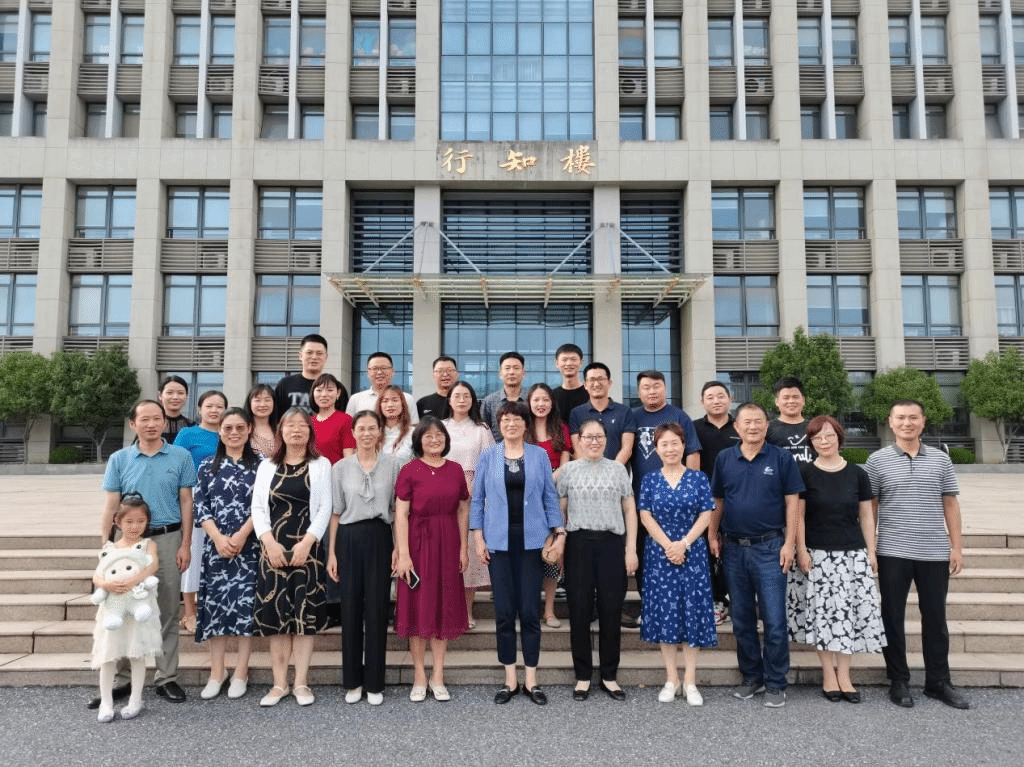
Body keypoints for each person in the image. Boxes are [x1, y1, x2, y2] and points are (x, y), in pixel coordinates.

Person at [865, 399, 969, 710]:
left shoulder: (941, 460)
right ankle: (898, 680)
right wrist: (871, 548)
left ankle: (938, 681)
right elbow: (870, 508)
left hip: (934, 552)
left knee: (935, 619)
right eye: (900, 418)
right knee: (892, 617)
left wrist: (956, 547)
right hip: (892, 551)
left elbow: (950, 504)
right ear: (890, 422)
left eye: (913, 418)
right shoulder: (877, 461)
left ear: (923, 422)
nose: (906, 423)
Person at [93, 400, 196, 708]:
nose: (151, 424)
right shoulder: (120, 459)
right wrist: (105, 545)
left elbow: (187, 501)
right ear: (133, 424)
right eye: (144, 419)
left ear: (164, 423)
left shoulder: (180, 456)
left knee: (167, 609)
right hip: (127, 543)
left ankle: (166, 677)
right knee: (123, 608)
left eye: (156, 419)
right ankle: (122, 680)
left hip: (168, 537)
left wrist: (186, 544)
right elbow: (111, 505)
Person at [708, 402, 803, 708]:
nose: (752, 426)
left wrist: (790, 544)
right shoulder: (725, 458)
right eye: (746, 422)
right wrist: (712, 534)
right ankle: (752, 677)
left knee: (774, 620)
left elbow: (793, 503)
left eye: (758, 421)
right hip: (734, 548)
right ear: (737, 427)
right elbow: (718, 500)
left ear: (766, 425)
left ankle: (776, 682)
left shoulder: (781, 457)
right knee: (742, 619)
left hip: (770, 547)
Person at [788, 415, 886, 704]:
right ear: (811, 442)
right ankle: (828, 674)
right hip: (817, 555)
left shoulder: (857, 473)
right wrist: (801, 550)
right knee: (823, 616)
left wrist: (871, 551)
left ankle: (845, 675)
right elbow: (798, 516)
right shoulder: (804, 473)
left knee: (849, 615)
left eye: (829, 435)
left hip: (852, 554)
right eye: (817, 437)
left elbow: (866, 515)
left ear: (839, 438)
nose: (824, 441)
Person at [471, 402, 563, 706]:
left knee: (529, 612)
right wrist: (477, 537)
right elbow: (477, 499)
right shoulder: (488, 456)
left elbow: (550, 497)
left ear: (526, 424)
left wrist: (558, 533)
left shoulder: (538, 456)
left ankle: (531, 680)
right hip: (498, 542)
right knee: (504, 613)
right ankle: (510, 679)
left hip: (532, 543)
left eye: (517, 419)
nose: (511, 424)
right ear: (500, 425)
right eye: (506, 420)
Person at [251, 408, 333, 707]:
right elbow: (257, 507)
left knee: (304, 618)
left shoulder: (321, 464)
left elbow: (325, 507)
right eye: (290, 426)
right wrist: (269, 542)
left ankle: (301, 683)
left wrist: (308, 543)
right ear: (281, 432)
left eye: (302, 425)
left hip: (307, 550)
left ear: (310, 432)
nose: (296, 430)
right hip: (273, 548)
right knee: (276, 617)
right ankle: (279, 684)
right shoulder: (266, 466)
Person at [557, 418, 638, 702]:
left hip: (611, 544)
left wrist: (631, 548)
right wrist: (558, 541)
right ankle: (582, 676)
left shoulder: (618, 470)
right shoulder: (568, 471)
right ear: (578, 440)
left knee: (610, 610)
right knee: (579, 611)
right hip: (578, 544)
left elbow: (630, 510)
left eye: (599, 437)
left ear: (606, 439)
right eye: (588, 437)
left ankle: (609, 675)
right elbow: (560, 509)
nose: (594, 441)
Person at [638, 423, 717, 706]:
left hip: (692, 554)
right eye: (664, 444)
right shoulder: (649, 479)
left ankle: (690, 680)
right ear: (656, 449)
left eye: (675, 443)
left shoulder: (698, 478)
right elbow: (645, 515)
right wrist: (669, 546)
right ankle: (671, 678)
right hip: (660, 556)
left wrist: (683, 544)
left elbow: (706, 514)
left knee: (691, 613)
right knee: (666, 614)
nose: (670, 449)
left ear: (684, 446)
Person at [327, 409, 401, 706]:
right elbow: (335, 512)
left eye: (373, 428)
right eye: (362, 428)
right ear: (353, 433)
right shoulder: (340, 468)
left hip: (380, 536)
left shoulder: (393, 465)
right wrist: (331, 553)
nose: (367, 433)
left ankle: (374, 682)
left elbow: (397, 510)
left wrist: (398, 547)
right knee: (350, 608)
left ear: (379, 432)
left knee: (377, 608)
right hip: (348, 537)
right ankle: (352, 681)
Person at [394, 417, 470, 702]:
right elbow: (401, 514)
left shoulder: (456, 469)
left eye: (439, 435)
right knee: (417, 609)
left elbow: (463, 510)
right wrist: (403, 554)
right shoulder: (409, 470)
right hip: (417, 543)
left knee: (443, 607)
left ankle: (438, 675)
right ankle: (419, 675)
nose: (435, 440)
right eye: (428, 436)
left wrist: (463, 548)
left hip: (448, 542)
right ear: (419, 441)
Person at [625, 369, 702, 628]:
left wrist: (689, 490)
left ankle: (681, 611)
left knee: (680, 554)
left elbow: (693, 453)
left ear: (665, 388)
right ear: (639, 391)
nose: (652, 391)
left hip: (678, 503)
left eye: (656, 386)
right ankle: (650, 608)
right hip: (645, 500)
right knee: (648, 557)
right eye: (646, 387)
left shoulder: (679, 416)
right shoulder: (633, 416)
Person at [194, 407, 260, 701]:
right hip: (216, 547)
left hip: (250, 546)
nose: (234, 433)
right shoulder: (207, 465)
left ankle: (241, 671)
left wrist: (242, 535)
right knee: (216, 609)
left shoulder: (262, 465)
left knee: (246, 609)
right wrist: (219, 538)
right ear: (219, 432)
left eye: (240, 428)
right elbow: (201, 505)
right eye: (228, 428)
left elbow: (263, 505)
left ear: (249, 430)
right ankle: (217, 672)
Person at [90, 495, 162, 722]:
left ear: (147, 522)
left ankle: (135, 699)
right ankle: (106, 702)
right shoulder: (109, 548)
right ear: (117, 522)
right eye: (129, 521)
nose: (134, 526)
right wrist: (106, 585)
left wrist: (132, 581)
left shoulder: (148, 545)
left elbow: (152, 566)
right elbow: (97, 575)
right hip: (113, 608)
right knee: (108, 654)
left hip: (139, 607)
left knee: (137, 653)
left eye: (140, 521)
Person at [441, 381, 495, 629]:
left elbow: (489, 462)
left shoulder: (481, 429)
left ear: (473, 400)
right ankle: (446, 611)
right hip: (443, 494)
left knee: (469, 556)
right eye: (457, 395)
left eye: (466, 396)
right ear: (449, 400)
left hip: (473, 496)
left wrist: (474, 487)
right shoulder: (440, 427)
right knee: (445, 552)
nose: (461, 400)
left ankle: (467, 612)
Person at [174, 389, 227, 634]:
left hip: (225, 502)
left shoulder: (229, 433)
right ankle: (189, 612)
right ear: (199, 409)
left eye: (219, 406)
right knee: (193, 554)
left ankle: (215, 609)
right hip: (195, 499)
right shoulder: (187, 434)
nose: (214, 410)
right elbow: (176, 465)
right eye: (209, 406)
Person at [693, 380, 740, 625]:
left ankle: (738, 601)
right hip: (705, 501)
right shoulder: (694, 428)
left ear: (729, 399)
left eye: (721, 396)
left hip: (737, 500)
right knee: (709, 552)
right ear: (702, 402)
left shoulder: (740, 426)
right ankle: (716, 600)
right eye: (710, 397)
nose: (716, 401)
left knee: (733, 551)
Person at [525, 382, 571, 629]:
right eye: (536, 400)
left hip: (554, 493)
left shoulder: (561, 428)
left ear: (552, 403)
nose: (541, 404)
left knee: (552, 555)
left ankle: (550, 611)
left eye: (545, 399)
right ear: (529, 403)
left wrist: (549, 478)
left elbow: (565, 464)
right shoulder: (523, 428)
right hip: (527, 496)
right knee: (531, 556)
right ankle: (530, 610)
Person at [569, 362, 633, 465]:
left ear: (609, 383)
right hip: (586, 472)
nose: (596, 384)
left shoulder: (624, 411)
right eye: (592, 380)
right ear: (585, 385)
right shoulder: (576, 413)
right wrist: (590, 470)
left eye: (600, 379)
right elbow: (577, 448)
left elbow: (627, 448)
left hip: (616, 472)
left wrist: (612, 470)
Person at [274, 333, 348, 416]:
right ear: (300, 356)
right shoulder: (285, 385)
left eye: (319, 353)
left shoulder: (336, 388)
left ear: (326, 357)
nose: (314, 357)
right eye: (309, 352)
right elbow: (276, 418)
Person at [346, 351, 418, 421]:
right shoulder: (355, 399)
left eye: (384, 368)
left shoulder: (407, 399)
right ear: (368, 372)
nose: (379, 372)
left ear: (392, 371)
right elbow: (348, 426)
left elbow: (413, 426)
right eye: (375, 368)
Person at [766, 376, 815, 464]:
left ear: (803, 400)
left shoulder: (815, 427)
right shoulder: (767, 429)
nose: (791, 401)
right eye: (786, 398)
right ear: (777, 401)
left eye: (795, 397)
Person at [309, 373, 356, 464]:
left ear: (338, 393)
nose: (324, 395)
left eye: (330, 390)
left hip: (336, 471)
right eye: (319, 390)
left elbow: (348, 457)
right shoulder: (308, 422)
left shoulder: (346, 420)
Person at [480, 351, 527, 441]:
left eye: (516, 368)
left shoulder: (532, 399)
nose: (511, 372)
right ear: (500, 373)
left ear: (523, 373)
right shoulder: (489, 401)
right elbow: (484, 432)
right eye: (507, 368)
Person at [551, 343, 588, 423]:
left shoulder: (590, 393)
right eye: (564, 360)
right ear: (557, 363)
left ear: (581, 362)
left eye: (573, 359)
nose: (569, 363)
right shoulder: (551, 396)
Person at [378, 384, 415, 465]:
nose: (390, 405)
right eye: (385, 401)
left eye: (395, 400)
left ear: (402, 404)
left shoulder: (413, 433)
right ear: (380, 405)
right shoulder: (373, 432)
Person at [244, 383, 278, 458]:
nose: (262, 405)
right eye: (257, 400)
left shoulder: (281, 430)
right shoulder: (242, 429)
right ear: (250, 403)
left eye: (267, 400)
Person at [157, 376, 193, 443]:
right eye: (170, 393)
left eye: (180, 393)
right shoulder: (151, 425)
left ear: (186, 396)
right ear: (160, 395)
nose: (175, 397)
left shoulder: (192, 426)